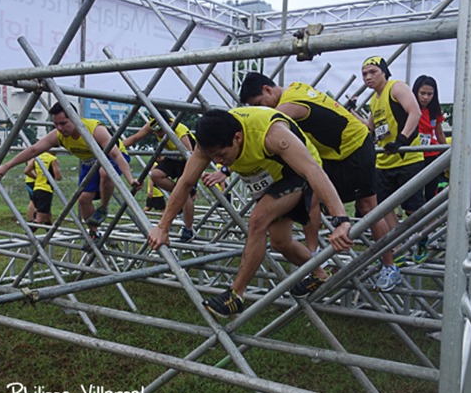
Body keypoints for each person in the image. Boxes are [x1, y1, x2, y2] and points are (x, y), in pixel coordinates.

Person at [148, 107, 353, 318]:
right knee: (280, 242)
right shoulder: (207, 145)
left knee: (257, 220)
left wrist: (341, 220)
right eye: (213, 158)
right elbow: (185, 183)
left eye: (221, 155)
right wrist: (162, 227)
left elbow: (312, 170)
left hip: (297, 173)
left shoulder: (271, 134)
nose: (218, 162)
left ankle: (235, 295)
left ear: (237, 137)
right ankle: (319, 274)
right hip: (269, 180)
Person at [238, 72, 401, 292]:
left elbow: (262, 129)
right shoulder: (295, 86)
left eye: (259, 104)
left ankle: (390, 266)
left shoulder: (286, 107)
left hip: (355, 146)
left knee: (367, 207)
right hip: (331, 154)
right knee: (312, 193)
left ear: (268, 89)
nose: (262, 109)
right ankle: (315, 257)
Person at [0, 102, 140, 242]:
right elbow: (34, 150)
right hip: (89, 163)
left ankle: (103, 207)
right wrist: (5, 167)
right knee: (83, 199)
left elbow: (116, 155)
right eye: (56, 124)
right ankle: (94, 233)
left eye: (63, 123)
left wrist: (130, 179)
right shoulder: (58, 135)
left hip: (112, 157)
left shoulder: (94, 130)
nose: (60, 128)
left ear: (74, 119)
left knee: (104, 172)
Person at [360, 56, 427, 268]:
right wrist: (347, 112)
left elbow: (414, 111)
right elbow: (369, 127)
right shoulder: (374, 99)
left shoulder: (395, 87)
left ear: (384, 72)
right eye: (365, 74)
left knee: (412, 207)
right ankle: (398, 243)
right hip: (384, 162)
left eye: (373, 72)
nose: (368, 77)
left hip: (407, 159)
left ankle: (422, 237)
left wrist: (402, 139)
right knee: (382, 206)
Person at [124, 113, 196, 242]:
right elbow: (135, 138)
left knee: (184, 193)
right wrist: (115, 146)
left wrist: (185, 185)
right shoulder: (154, 124)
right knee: (156, 175)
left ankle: (188, 229)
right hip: (172, 157)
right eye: (155, 131)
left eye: (160, 131)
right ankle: (181, 194)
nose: (158, 134)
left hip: (187, 157)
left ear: (168, 125)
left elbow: (190, 156)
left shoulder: (180, 131)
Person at [412, 75, 447, 204]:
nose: (425, 97)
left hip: (431, 154)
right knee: (415, 192)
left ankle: (429, 220)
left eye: (429, 94)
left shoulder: (435, 111)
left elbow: (439, 133)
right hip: (414, 155)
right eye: (422, 93)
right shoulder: (408, 108)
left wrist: (447, 153)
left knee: (431, 190)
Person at [24, 151, 61, 229]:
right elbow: (58, 176)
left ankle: (50, 235)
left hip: (36, 188)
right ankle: (28, 235)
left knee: (47, 215)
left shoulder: (37, 157)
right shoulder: (53, 159)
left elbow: (26, 171)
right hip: (46, 190)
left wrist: (36, 177)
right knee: (40, 217)